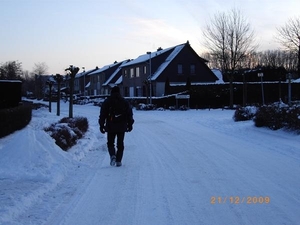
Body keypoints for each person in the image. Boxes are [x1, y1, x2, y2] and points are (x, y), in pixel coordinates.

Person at [98, 86, 134, 167]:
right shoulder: (124, 102)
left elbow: (102, 115)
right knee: (120, 144)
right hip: (122, 126)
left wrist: (101, 125)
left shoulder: (107, 102)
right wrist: (130, 124)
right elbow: (129, 114)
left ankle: (112, 155)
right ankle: (118, 161)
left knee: (110, 143)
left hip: (110, 126)